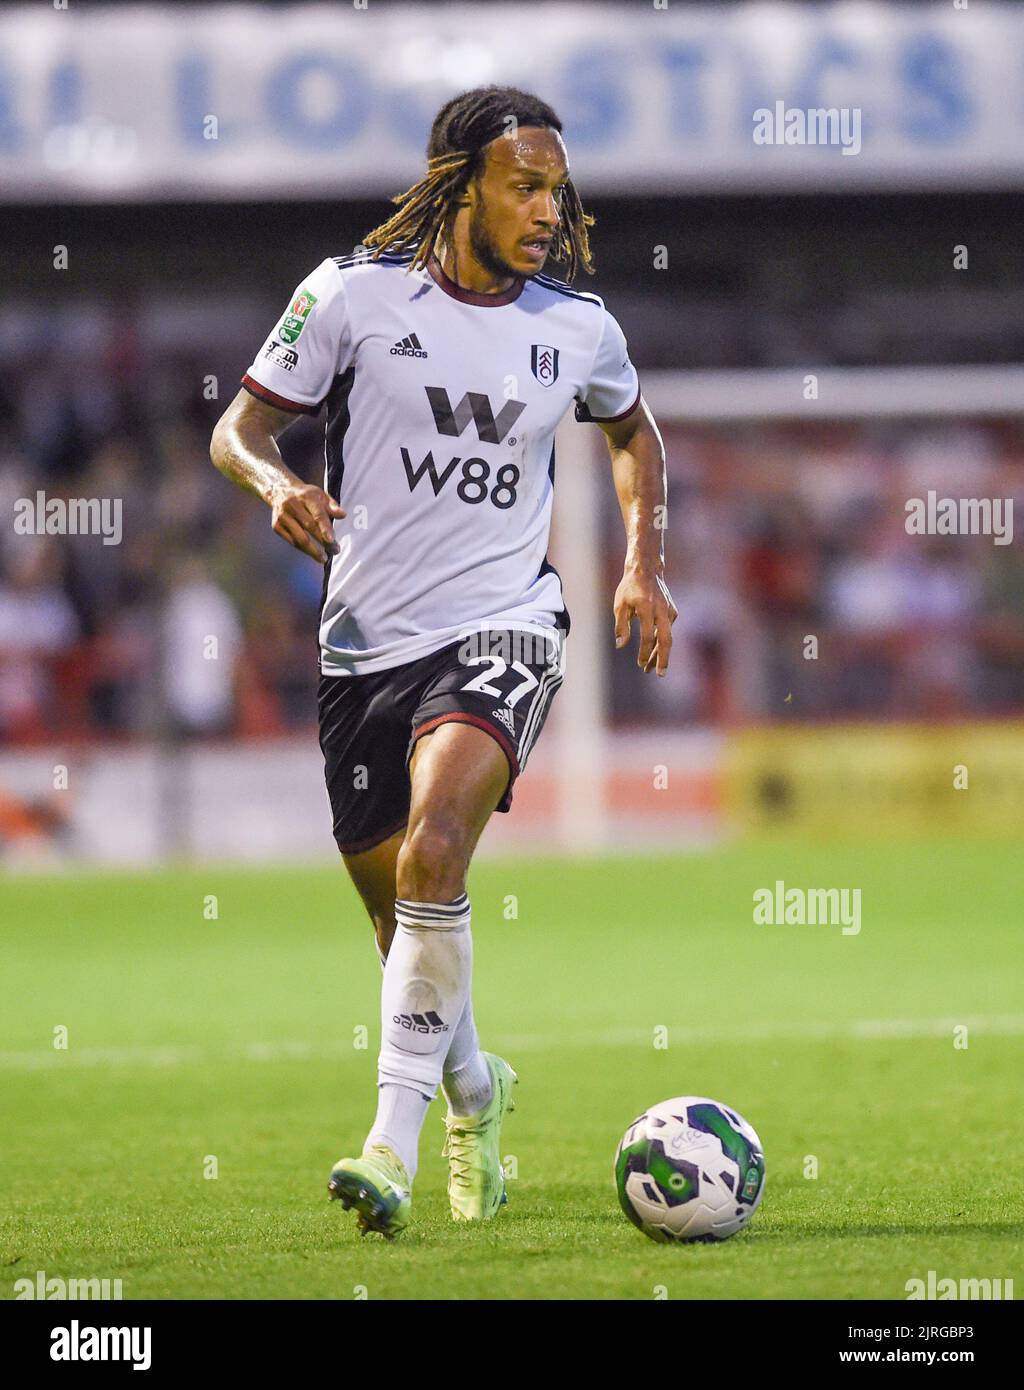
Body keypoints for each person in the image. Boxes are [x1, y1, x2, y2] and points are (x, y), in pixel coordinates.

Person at [210, 86, 675, 1238]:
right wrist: (278, 489)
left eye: (556, 191)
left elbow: (633, 434)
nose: (546, 211)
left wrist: (640, 564)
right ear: (458, 181)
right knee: (403, 915)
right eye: (524, 185)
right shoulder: (350, 296)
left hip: (506, 623)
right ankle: (474, 1088)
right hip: (365, 646)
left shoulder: (576, 324)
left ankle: (389, 1147)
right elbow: (239, 429)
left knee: (434, 848)